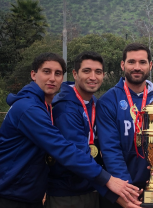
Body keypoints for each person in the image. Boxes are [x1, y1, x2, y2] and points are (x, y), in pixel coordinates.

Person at [0, 52, 140, 208]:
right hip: (5, 196)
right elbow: (63, 149)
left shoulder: (47, 104)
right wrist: (108, 181)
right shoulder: (30, 109)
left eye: (57, 74)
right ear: (33, 74)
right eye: (46, 72)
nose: (52, 78)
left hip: (28, 195)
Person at [45, 51, 139, 208]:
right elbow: (76, 158)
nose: (93, 77)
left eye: (98, 72)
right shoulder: (65, 109)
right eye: (86, 71)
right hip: (68, 195)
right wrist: (112, 189)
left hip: (91, 189)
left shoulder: (95, 103)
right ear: (75, 74)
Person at [96, 43, 153, 208]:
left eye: (142, 62)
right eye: (131, 62)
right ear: (122, 64)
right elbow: (111, 150)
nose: (137, 67)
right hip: (122, 190)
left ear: (150, 65)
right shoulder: (108, 101)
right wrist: (128, 191)